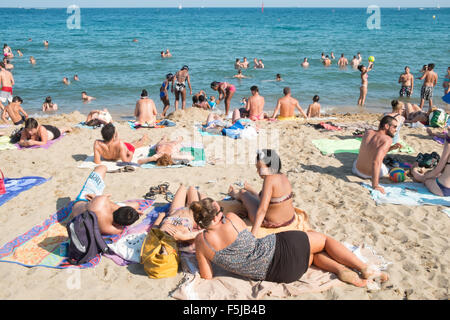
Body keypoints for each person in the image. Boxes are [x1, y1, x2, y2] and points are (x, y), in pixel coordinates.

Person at [195, 178, 388, 285]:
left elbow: (207, 276)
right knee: (324, 241)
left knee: (312, 256)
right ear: (215, 217)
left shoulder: (201, 243)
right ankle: (363, 268)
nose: (222, 211)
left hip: (284, 274)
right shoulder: (232, 220)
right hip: (279, 249)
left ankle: (342, 271)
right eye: (219, 210)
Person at [71, 165, 143, 235]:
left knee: (102, 167)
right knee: (136, 205)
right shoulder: (109, 228)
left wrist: (95, 198)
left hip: (81, 203)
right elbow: (121, 229)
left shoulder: (102, 201)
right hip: (84, 217)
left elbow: (96, 197)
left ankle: (98, 168)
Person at [352, 116, 400, 194]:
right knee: (387, 166)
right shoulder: (387, 139)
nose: (396, 130)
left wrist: (391, 148)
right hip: (369, 175)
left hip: (356, 170)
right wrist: (375, 185)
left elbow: (372, 150)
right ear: (386, 126)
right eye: (394, 127)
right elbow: (376, 162)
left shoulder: (368, 132)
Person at [151, 184, 204, 252]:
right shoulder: (182, 236)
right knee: (191, 188)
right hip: (192, 211)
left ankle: (193, 191)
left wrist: (160, 217)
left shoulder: (158, 236)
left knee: (183, 187)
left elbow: (154, 228)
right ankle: (195, 191)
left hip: (175, 211)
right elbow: (201, 233)